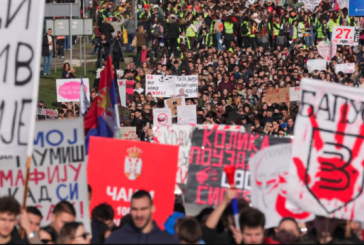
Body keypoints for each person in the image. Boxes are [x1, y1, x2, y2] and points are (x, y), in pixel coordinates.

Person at [105, 190, 179, 244]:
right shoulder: (116, 239)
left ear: (152, 209)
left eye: (143, 209)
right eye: (135, 209)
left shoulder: (168, 241)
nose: (139, 214)